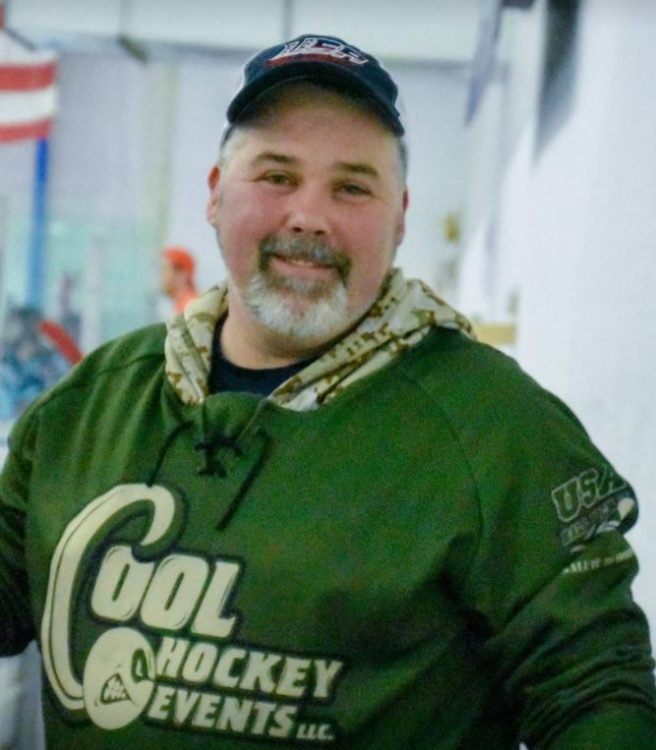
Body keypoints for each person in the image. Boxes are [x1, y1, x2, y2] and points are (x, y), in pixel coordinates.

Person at [0, 33, 655, 750]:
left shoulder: (497, 430)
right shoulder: (90, 405)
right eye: (277, 175)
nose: (309, 216)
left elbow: (595, 690)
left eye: (352, 187)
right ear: (215, 194)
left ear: (400, 217)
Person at [161, 244, 199, 313]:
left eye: (165, 269)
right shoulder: (184, 305)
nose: (162, 275)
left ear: (182, 274)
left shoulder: (189, 306)